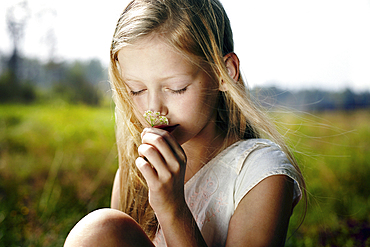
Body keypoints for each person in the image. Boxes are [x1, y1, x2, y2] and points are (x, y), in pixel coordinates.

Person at [64, 0, 306, 246]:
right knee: (100, 230)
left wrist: (172, 208)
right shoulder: (136, 173)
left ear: (224, 73)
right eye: (136, 90)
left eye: (176, 88)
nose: (153, 109)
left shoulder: (260, 172)